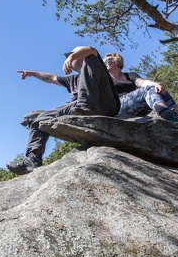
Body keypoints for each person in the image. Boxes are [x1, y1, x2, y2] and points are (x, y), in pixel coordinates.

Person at [7, 46, 120, 175]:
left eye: (72, 55)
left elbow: (91, 50)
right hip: (78, 107)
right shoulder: (72, 80)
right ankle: (33, 159)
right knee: (40, 118)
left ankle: (86, 106)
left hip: (104, 104)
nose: (69, 60)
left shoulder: (95, 64)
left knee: (91, 58)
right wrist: (32, 73)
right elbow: (50, 78)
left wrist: (73, 55)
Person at [103, 52, 178, 124]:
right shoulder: (105, 79)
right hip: (118, 107)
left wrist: (157, 84)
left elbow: (142, 82)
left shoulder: (130, 75)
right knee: (148, 89)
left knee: (158, 88)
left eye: (107, 60)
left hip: (137, 109)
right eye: (104, 62)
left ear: (116, 61)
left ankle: (175, 115)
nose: (105, 63)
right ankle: (165, 113)